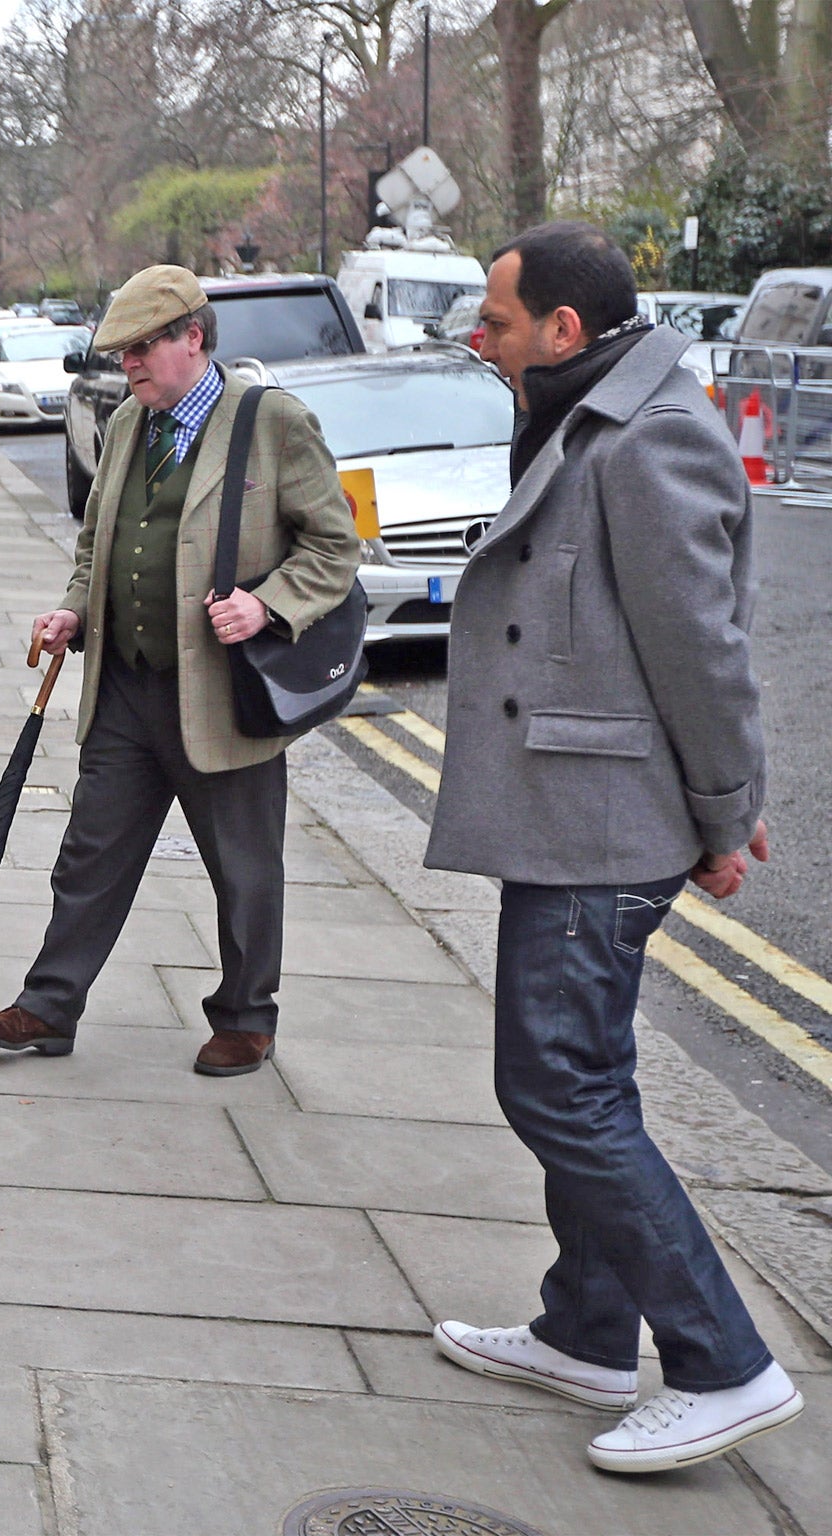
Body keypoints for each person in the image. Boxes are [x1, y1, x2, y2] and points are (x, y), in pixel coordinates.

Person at [424, 221, 802, 1472]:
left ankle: (722, 1364)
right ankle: (585, 1332)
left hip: (604, 824)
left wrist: (722, 812)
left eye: (493, 320)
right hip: (568, 809)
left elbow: (703, 648)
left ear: (562, 331)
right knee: (582, 1073)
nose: (477, 339)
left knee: (554, 1084)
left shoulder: (649, 437)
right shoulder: (583, 410)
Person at [0, 264, 359, 1074]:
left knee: (244, 870)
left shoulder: (270, 422)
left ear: (194, 339)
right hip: (126, 689)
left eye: (144, 348)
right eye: (122, 351)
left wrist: (268, 605)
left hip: (222, 694)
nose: (130, 364)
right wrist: (73, 609)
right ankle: (49, 1006)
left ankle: (247, 1017)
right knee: (88, 854)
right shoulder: (123, 429)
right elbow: (95, 547)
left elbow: (334, 547)